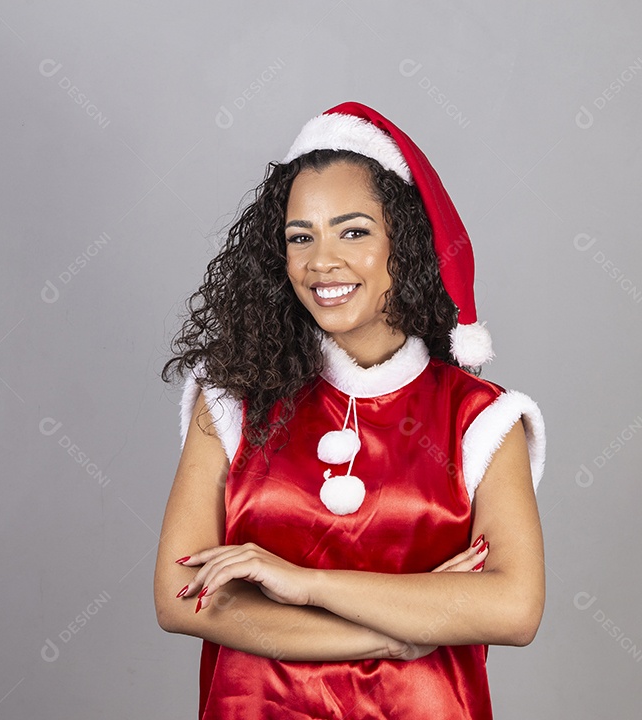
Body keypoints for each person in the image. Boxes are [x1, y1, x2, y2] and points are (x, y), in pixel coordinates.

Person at [154, 101, 547, 719]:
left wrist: (307, 586)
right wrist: (392, 632)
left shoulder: (482, 419)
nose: (321, 261)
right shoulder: (231, 400)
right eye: (299, 237)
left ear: (406, 242)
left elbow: (515, 610)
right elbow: (181, 600)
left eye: (354, 231)